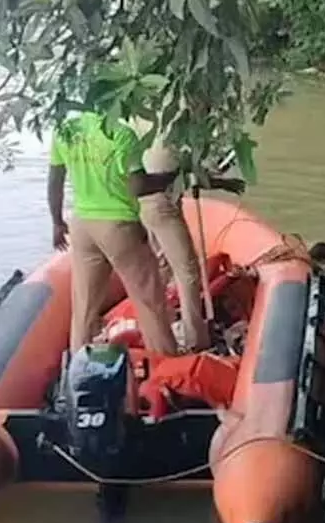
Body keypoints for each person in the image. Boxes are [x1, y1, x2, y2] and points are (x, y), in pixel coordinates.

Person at [48, 112, 178, 355]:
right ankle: (166, 370)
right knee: (149, 302)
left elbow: (55, 179)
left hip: (82, 225)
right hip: (117, 225)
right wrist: (170, 177)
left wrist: (57, 221)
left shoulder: (65, 129)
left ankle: (78, 371)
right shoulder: (121, 134)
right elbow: (137, 185)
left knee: (84, 308)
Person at [127, 123, 211, 352]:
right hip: (161, 201)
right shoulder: (176, 123)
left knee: (162, 264)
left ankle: (163, 323)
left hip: (143, 201)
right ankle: (195, 339)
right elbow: (186, 166)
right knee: (188, 271)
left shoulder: (138, 121)